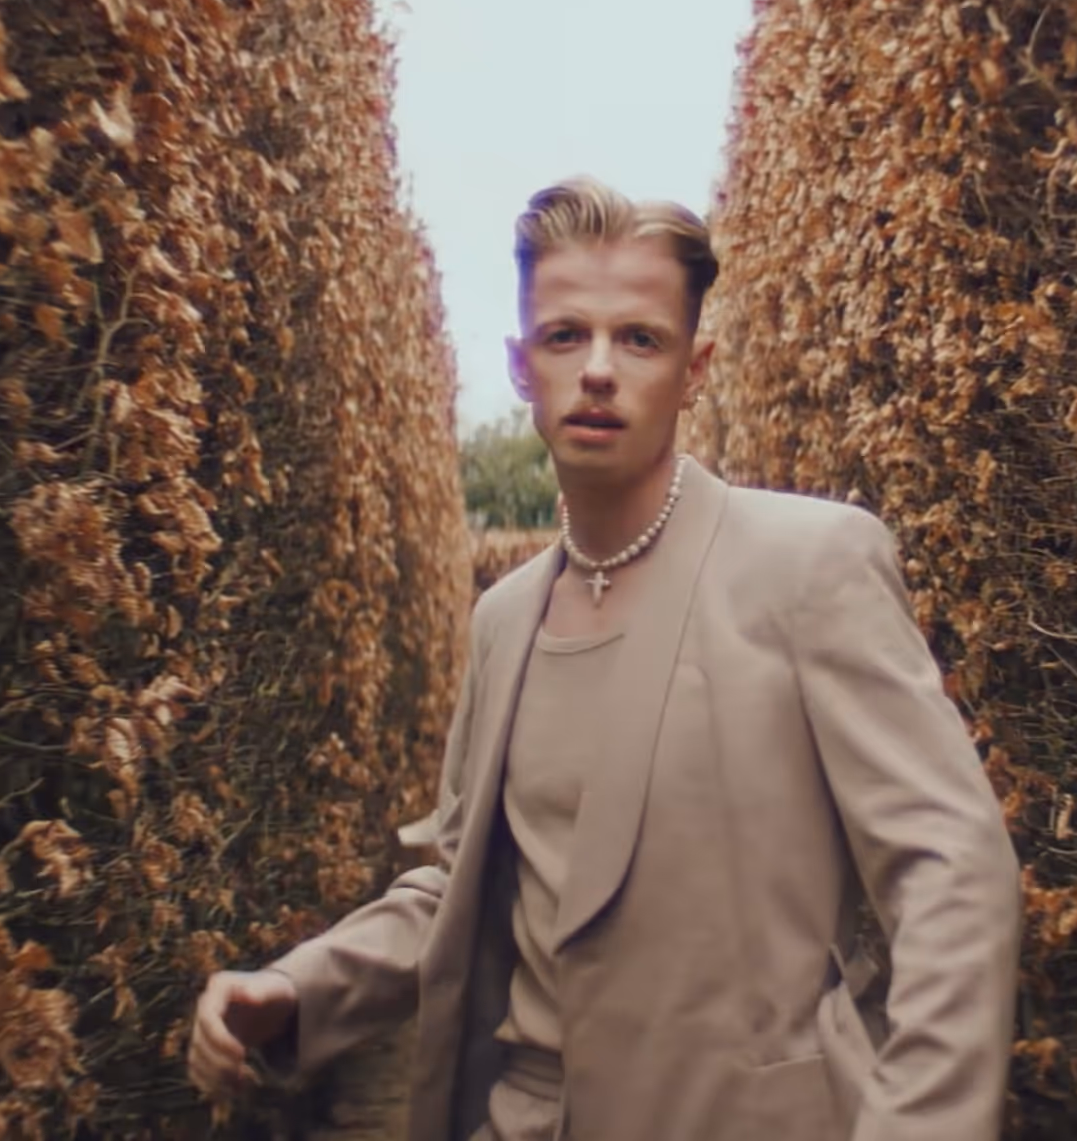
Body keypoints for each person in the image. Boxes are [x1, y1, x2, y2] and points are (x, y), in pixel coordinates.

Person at [185, 177, 1022, 1141]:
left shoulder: (809, 566)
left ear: (696, 364)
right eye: (564, 335)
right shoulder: (502, 619)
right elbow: (454, 887)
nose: (597, 370)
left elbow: (953, 873)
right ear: (520, 363)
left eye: (639, 338)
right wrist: (291, 987)